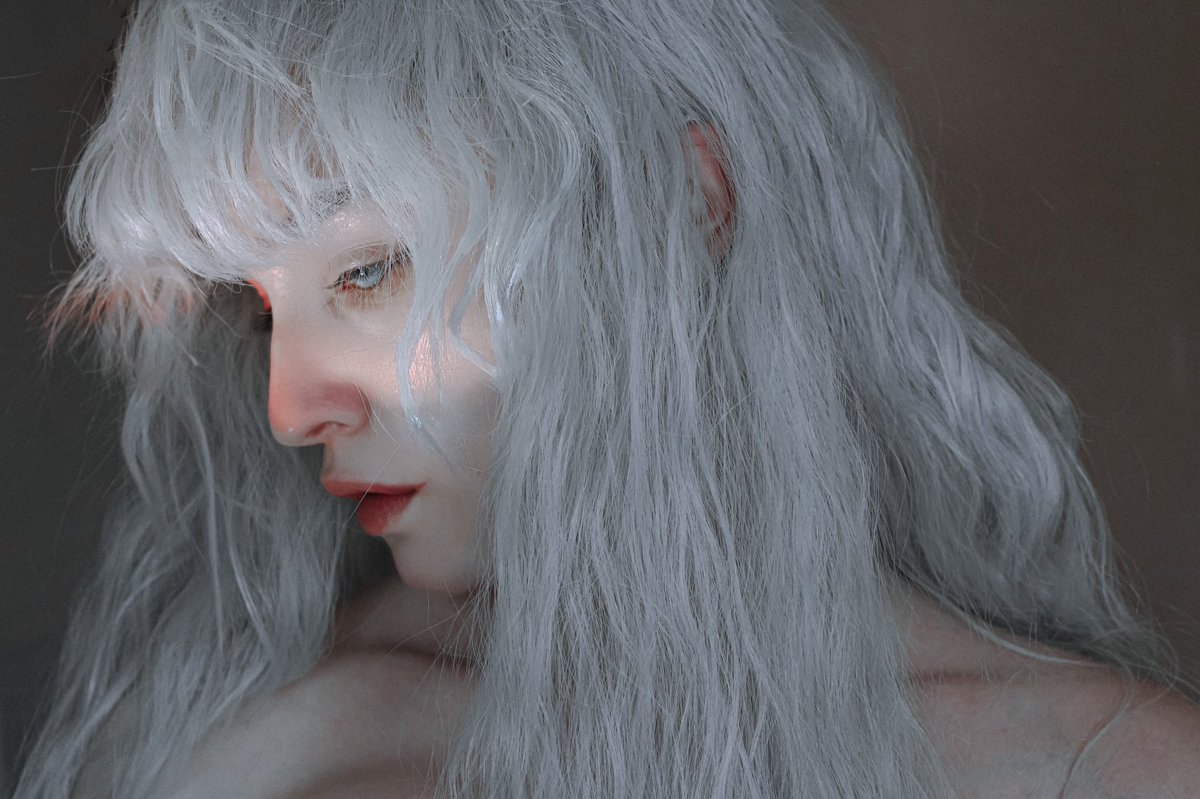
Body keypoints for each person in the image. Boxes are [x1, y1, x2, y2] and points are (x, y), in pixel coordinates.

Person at [14, 0, 1200, 796]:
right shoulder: (278, 748)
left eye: (369, 271)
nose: (291, 410)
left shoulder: (1111, 770)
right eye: (264, 312)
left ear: (683, 208)